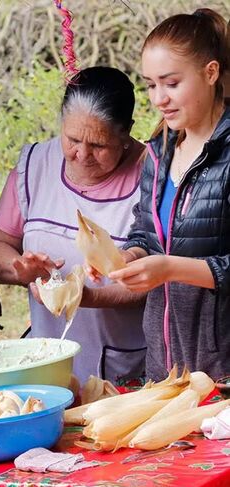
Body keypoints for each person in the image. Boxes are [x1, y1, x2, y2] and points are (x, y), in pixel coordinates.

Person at [0, 67, 147, 384]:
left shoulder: (152, 175)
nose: (82, 154)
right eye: (71, 139)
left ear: (125, 134)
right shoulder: (34, 165)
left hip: (122, 372)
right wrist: (21, 269)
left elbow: (153, 279)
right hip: (45, 361)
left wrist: (85, 296)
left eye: (99, 145)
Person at [108, 9, 230, 381]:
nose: (158, 98)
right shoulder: (159, 151)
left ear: (210, 73)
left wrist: (172, 268)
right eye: (150, 85)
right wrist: (128, 255)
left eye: (171, 83)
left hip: (222, 370)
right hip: (164, 367)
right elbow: (146, 231)